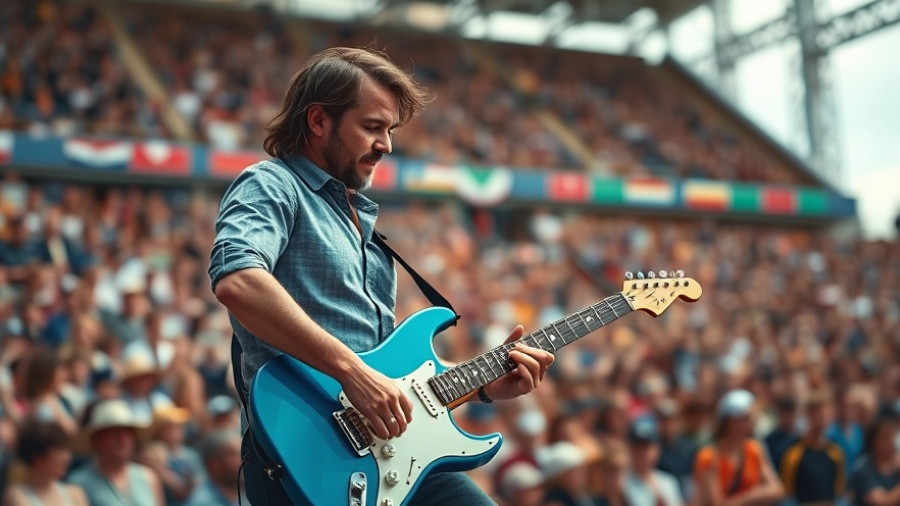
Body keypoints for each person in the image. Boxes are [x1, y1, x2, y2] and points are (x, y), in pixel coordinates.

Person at [208, 46, 555, 505]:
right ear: (319, 121)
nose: (386, 144)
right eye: (372, 127)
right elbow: (238, 280)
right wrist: (351, 371)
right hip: (307, 457)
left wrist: (482, 387)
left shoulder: (363, 224)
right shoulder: (271, 184)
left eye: (389, 130)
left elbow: (388, 374)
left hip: (390, 456)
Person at [692, 389, 784, 505]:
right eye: (746, 419)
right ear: (729, 422)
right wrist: (758, 495)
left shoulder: (753, 449)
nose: (752, 423)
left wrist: (745, 498)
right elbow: (718, 504)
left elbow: (777, 490)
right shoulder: (708, 457)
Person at [68, 399, 164, 506]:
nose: (122, 439)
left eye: (127, 433)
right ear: (96, 440)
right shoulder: (79, 484)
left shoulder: (148, 477)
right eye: (113, 433)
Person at [779, 390, 846, 504]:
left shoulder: (836, 453)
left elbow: (839, 493)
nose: (823, 419)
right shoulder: (794, 453)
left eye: (826, 415)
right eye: (819, 414)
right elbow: (786, 495)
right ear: (808, 415)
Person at [3, 420, 88, 506]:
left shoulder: (76, 494)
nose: (67, 458)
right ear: (38, 457)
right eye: (60, 450)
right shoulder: (16, 496)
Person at [624, 416, 683, 506]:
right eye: (638, 447)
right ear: (630, 449)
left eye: (646, 448)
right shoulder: (621, 483)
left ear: (657, 449)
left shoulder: (668, 482)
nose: (642, 453)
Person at [848, 417, 900, 505]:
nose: (891, 442)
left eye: (893, 437)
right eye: (885, 438)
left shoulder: (896, 463)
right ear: (873, 441)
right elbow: (881, 502)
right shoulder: (863, 468)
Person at [184, 431, 243, 506]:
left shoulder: (244, 495)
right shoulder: (202, 503)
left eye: (242, 453)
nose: (242, 460)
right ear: (213, 465)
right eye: (233, 455)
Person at [764, 396, 798, 474]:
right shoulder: (770, 440)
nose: (788, 418)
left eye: (791, 413)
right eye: (785, 414)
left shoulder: (802, 438)